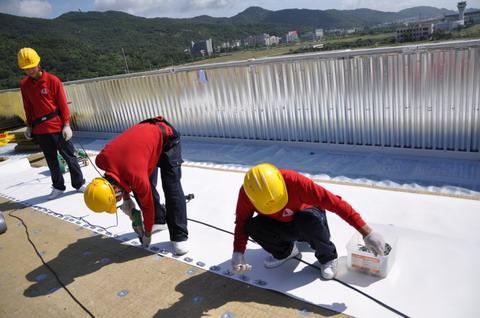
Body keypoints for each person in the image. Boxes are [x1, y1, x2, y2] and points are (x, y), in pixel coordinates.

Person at [231, 163, 386, 280]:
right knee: (252, 226)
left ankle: (328, 257)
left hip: (308, 221)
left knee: (306, 219)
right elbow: (241, 222)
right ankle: (286, 252)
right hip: (281, 225)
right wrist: (238, 252)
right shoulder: (247, 194)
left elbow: (335, 203)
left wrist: (367, 233)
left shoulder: (295, 182)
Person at [83, 116, 189, 255]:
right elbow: (119, 176)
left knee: (171, 187)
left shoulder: (136, 175)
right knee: (142, 187)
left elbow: (148, 205)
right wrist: (127, 198)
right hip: (143, 148)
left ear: (113, 189)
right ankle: (159, 220)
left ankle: (179, 236)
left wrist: (147, 233)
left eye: (116, 199)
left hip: (166, 137)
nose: (118, 201)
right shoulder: (101, 160)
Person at [18, 47, 85, 200]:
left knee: (70, 156)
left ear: (38, 63)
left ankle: (79, 183)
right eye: (26, 69)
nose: (30, 71)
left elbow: (63, 104)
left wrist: (67, 124)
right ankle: (58, 187)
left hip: (57, 126)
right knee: (51, 160)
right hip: (40, 129)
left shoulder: (52, 80)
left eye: (32, 67)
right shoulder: (24, 85)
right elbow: (27, 106)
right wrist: (29, 125)